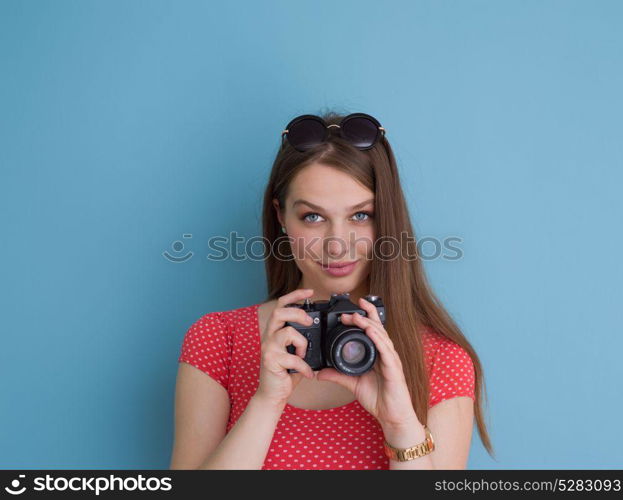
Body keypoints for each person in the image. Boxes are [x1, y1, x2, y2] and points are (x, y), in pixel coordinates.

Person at [170, 110, 493, 470]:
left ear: (386, 216)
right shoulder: (218, 341)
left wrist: (400, 425)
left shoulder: (440, 360)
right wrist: (265, 404)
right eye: (313, 217)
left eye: (360, 215)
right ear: (281, 216)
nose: (337, 244)